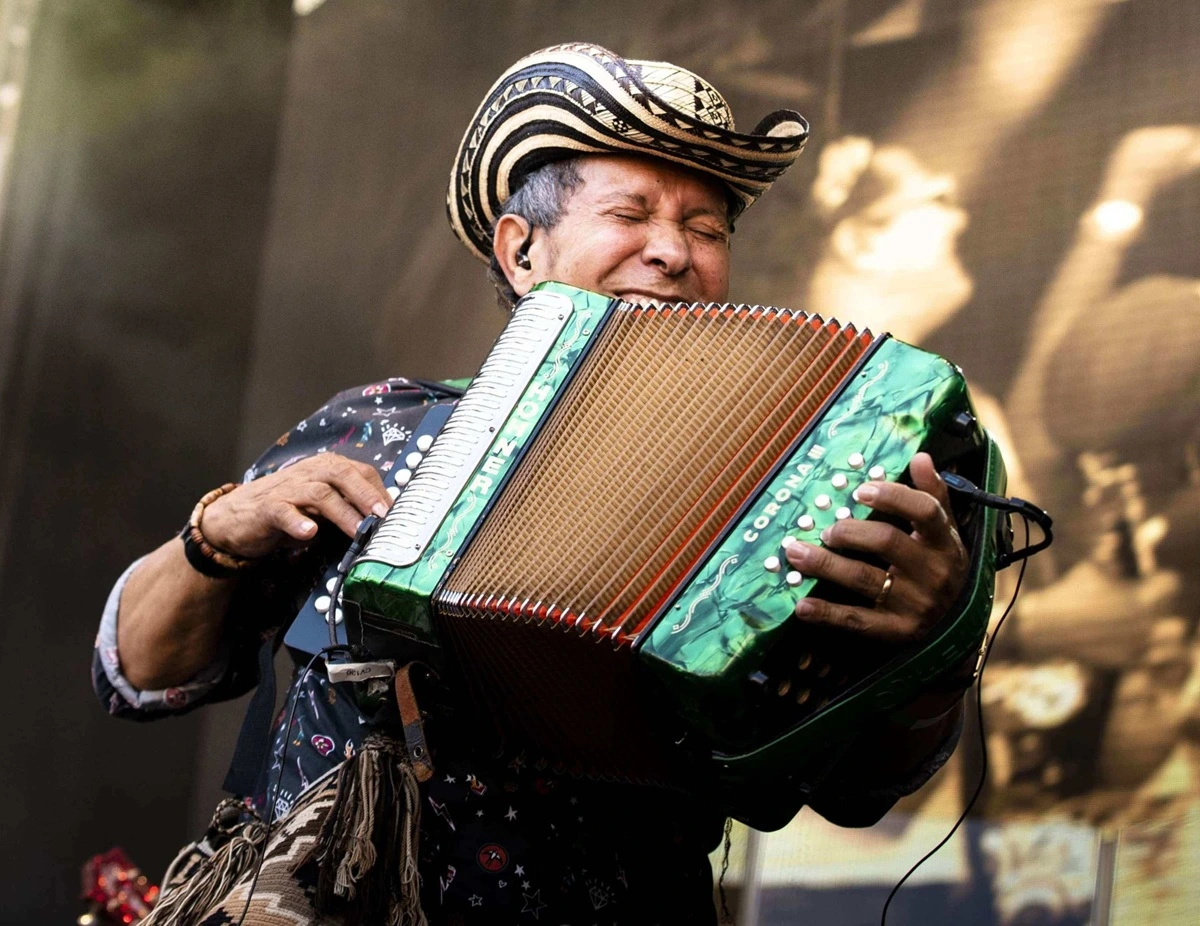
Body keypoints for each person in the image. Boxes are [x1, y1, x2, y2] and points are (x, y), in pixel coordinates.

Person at [94, 43, 977, 924]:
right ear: (521, 251)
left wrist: (933, 656)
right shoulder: (380, 425)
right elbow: (137, 675)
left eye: (706, 229)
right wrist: (210, 538)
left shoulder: (792, 490)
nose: (672, 252)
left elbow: (858, 789)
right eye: (630, 213)